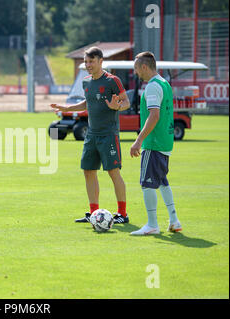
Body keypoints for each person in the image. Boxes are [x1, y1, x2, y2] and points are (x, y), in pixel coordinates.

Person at [50, 47, 131, 224]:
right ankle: (94, 213)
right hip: (91, 135)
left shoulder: (112, 80)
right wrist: (67, 108)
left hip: (108, 135)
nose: (88, 65)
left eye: (91, 62)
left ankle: (122, 214)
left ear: (101, 61)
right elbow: (88, 102)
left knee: (113, 172)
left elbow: (126, 102)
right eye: (86, 62)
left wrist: (116, 106)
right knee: (88, 171)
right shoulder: (86, 82)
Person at [129, 51, 182, 235]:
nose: (136, 72)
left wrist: (138, 140)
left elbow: (154, 115)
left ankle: (152, 225)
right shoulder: (164, 83)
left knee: (147, 183)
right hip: (165, 142)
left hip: (154, 143)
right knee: (162, 182)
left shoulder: (152, 86)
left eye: (136, 68)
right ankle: (174, 220)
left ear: (144, 67)